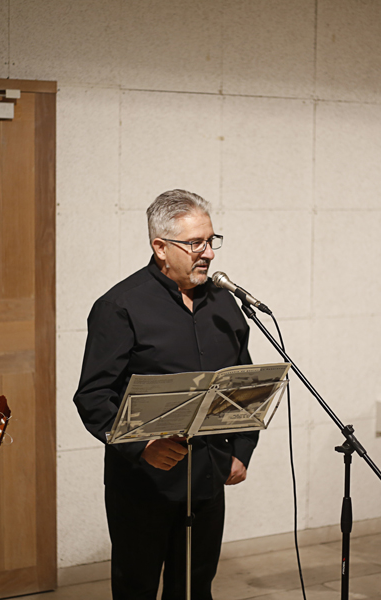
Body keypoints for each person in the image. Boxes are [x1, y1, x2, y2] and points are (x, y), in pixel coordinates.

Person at [73, 189, 257, 600]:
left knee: (194, 589)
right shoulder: (120, 306)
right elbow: (93, 396)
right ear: (160, 247)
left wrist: (242, 449)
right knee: (136, 589)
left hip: (207, 476)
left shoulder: (225, 304)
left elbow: (245, 384)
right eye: (195, 243)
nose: (207, 253)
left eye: (211, 241)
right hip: (144, 484)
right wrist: (143, 447)